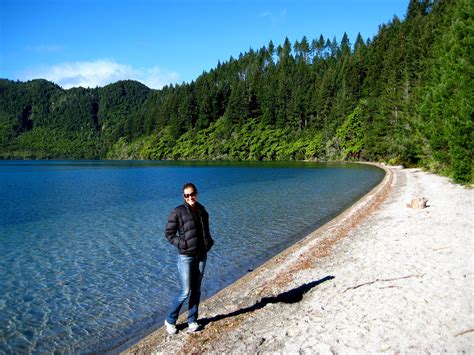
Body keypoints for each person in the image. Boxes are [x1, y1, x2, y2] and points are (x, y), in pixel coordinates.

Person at [164, 182, 214, 334]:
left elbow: (206, 230)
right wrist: (182, 243)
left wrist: (209, 243)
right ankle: (170, 320)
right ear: (183, 196)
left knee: (196, 290)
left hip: (201, 255)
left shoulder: (202, 210)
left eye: (192, 194)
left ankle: (192, 320)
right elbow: (169, 233)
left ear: (196, 194)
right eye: (187, 195)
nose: (190, 197)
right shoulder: (177, 212)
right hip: (185, 256)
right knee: (185, 291)